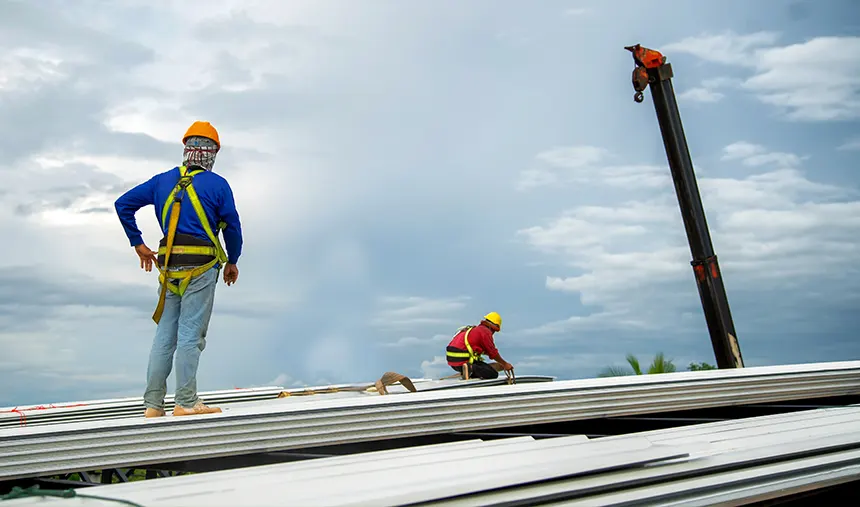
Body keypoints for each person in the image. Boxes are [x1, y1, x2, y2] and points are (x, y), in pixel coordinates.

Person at [114, 121, 243, 418]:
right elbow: (232, 227)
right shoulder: (218, 185)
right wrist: (233, 260)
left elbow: (123, 204)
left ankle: (153, 405)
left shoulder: (162, 181)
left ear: (186, 148)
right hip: (201, 269)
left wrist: (138, 243)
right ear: (212, 153)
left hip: (169, 269)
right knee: (190, 335)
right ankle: (186, 402)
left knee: (164, 336)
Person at [446, 312, 513, 380]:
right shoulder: (485, 332)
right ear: (492, 326)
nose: (493, 333)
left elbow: (486, 351)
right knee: (493, 374)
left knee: (488, 367)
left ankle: (467, 371)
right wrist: (505, 364)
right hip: (462, 361)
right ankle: (470, 369)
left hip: (453, 362)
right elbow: (493, 353)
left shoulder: (475, 330)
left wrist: (500, 364)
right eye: (494, 330)